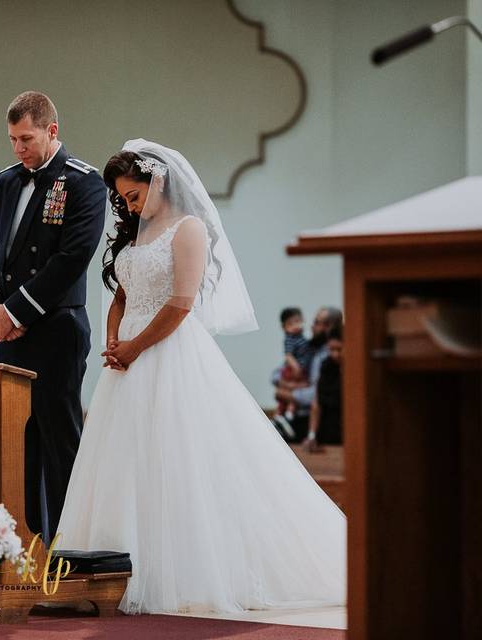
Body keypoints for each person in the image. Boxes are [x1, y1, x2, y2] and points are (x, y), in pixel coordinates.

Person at [57, 140, 345, 614]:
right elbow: (123, 293)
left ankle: (177, 572)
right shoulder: (135, 235)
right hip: (125, 362)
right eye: (123, 200)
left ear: (159, 181)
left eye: (134, 196)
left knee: (177, 461)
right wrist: (113, 337)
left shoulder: (187, 229)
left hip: (168, 355)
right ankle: (113, 573)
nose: (129, 206)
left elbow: (181, 304)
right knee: (123, 462)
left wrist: (134, 346)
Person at [0, 91, 106, 545]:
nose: (18, 149)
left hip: (56, 329)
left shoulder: (83, 182)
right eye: (12, 139)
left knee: (57, 437)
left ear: (51, 131)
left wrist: (17, 310)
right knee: (14, 443)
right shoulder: (6, 181)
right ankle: (22, 546)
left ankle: (69, 548)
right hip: (9, 333)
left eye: (26, 138)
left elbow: (71, 259)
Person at [272, 307, 343, 441]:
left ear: (330, 327)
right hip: (297, 410)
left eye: (317, 322)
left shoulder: (331, 357)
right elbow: (276, 374)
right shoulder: (309, 347)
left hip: (317, 418)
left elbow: (318, 393)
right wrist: (285, 384)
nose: (311, 326)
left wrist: (289, 394)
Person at [306, 326, 343, 452]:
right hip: (326, 429)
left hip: (346, 431)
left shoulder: (356, 369)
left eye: (339, 349)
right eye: (331, 349)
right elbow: (316, 404)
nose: (335, 354)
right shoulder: (326, 366)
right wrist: (312, 435)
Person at [277, 306, 310, 424]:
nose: (295, 326)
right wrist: (296, 367)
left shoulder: (300, 337)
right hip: (293, 369)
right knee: (292, 390)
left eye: (297, 322)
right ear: (284, 327)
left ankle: (287, 413)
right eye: (290, 324)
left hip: (300, 369)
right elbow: (288, 355)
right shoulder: (290, 338)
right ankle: (286, 413)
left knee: (295, 391)